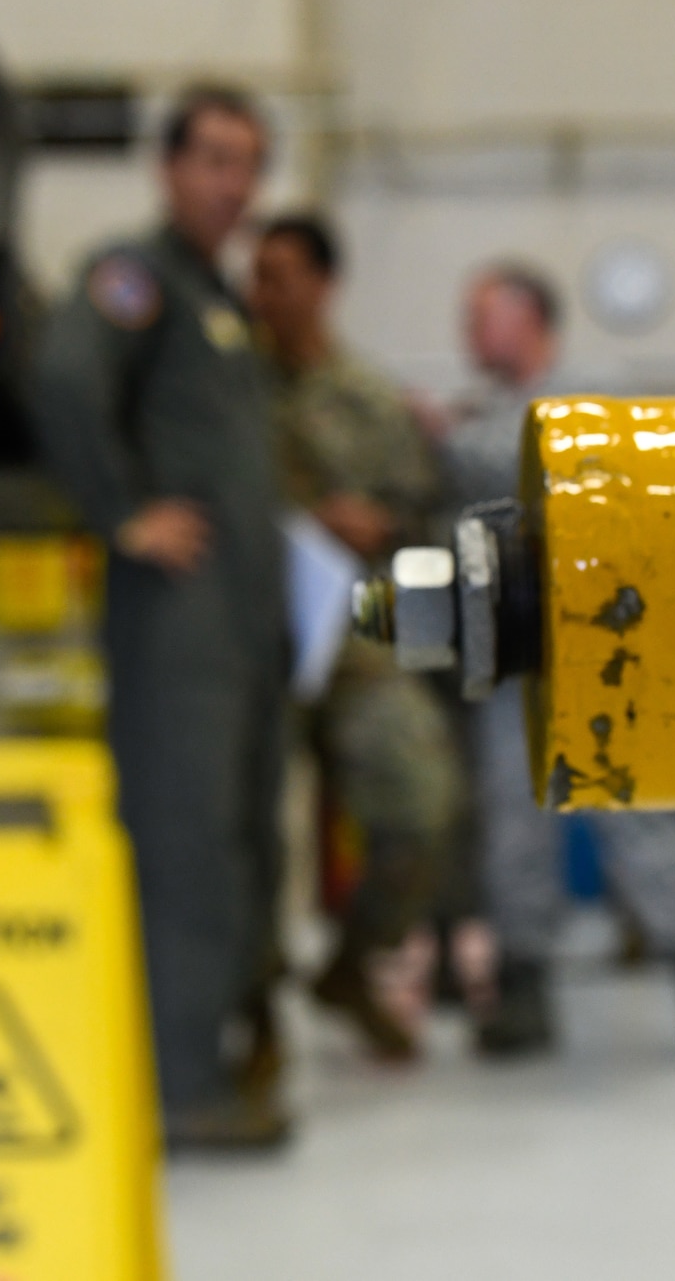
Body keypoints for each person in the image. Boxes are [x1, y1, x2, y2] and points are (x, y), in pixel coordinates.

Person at [30, 86, 290, 1147]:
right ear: (168, 167)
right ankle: (178, 1089)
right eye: (215, 161)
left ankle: (208, 1058)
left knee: (233, 843)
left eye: (249, 165)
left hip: (236, 631)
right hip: (176, 628)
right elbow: (58, 376)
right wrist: (123, 512)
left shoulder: (213, 301)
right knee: (184, 848)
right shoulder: (134, 279)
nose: (234, 185)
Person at [437, 262, 675, 1064]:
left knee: (639, 820)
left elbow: (528, 454)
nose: (469, 331)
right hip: (516, 649)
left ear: (529, 317)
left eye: (483, 314)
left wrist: (446, 435)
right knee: (515, 824)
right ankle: (524, 991)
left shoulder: (585, 396)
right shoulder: (488, 412)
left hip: (599, 651)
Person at [248, 214, 461, 1062]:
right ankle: (250, 1014)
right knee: (248, 838)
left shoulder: (370, 401)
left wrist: (377, 522)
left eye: (281, 277)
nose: (264, 293)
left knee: (424, 802)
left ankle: (349, 964)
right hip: (251, 644)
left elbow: (421, 515)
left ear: (323, 286)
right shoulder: (226, 386)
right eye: (257, 276)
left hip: (350, 637)